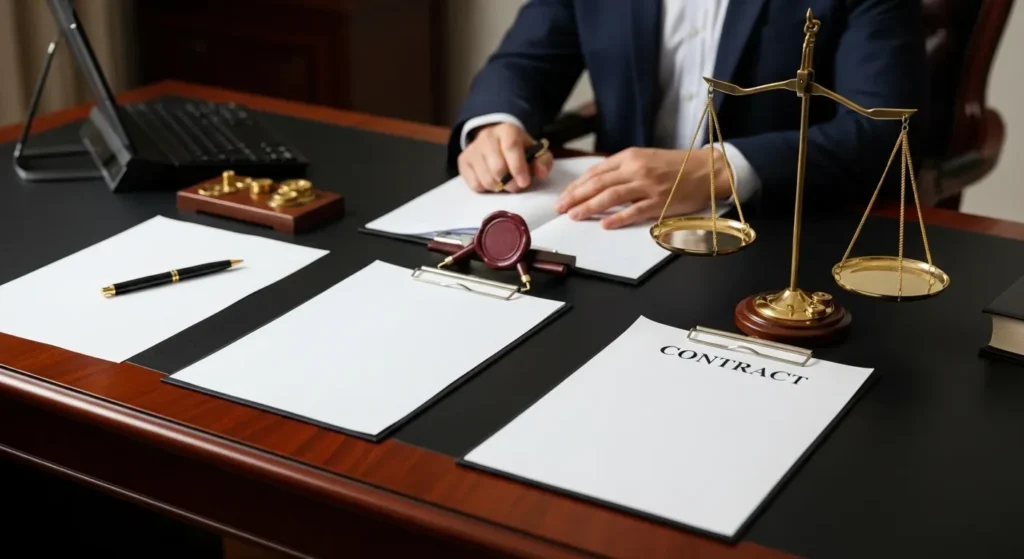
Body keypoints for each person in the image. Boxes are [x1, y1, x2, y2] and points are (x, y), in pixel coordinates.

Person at [449, 0, 927, 229]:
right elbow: (525, 63)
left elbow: (882, 130)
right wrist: (495, 124)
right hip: (614, 230)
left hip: (783, 238)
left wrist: (718, 169)